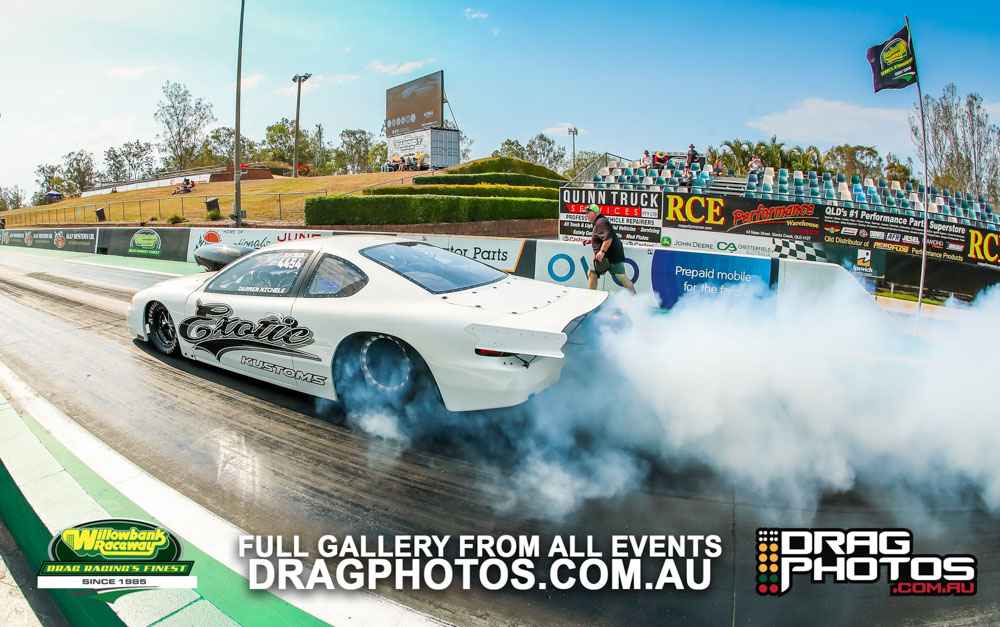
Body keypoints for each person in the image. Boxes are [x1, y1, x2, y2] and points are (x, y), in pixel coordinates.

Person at [581, 204, 636, 295]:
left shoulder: (601, 222)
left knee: (621, 277)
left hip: (610, 256)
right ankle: (591, 297)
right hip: (606, 256)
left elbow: (608, 238)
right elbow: (602, 236)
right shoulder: (598, 221)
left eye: (588, 213)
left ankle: (634, 298)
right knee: (592, 273)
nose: (586, 215)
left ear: (595, 213)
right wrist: (591, 240)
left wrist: (602, 251)